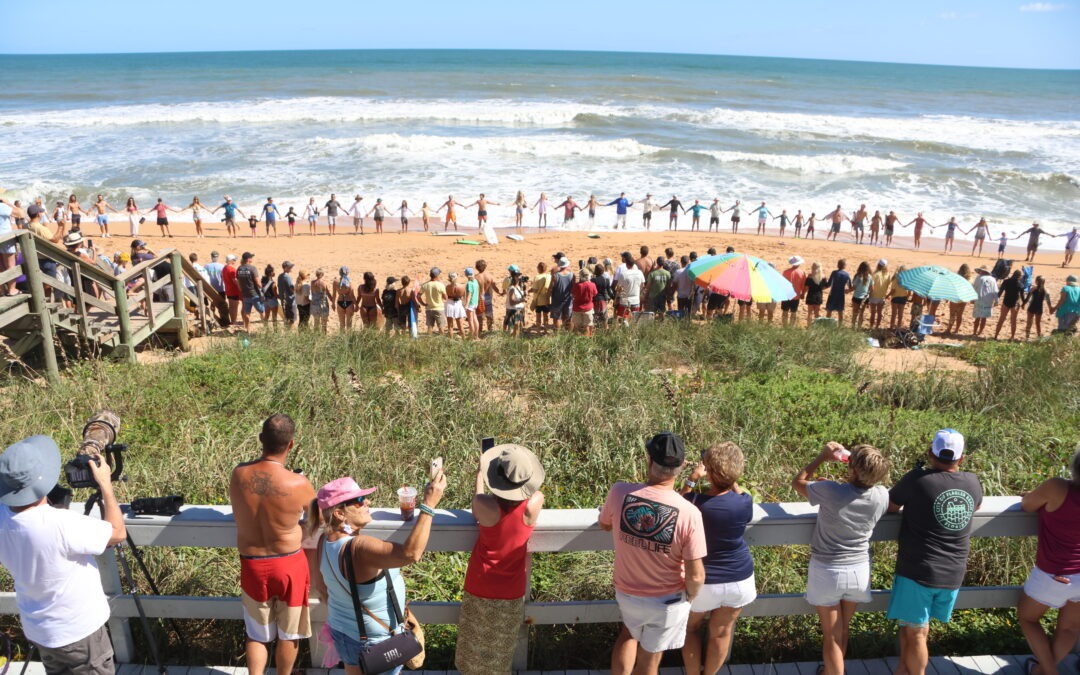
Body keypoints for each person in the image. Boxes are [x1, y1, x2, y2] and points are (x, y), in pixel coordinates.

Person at [0, 435, 126, 675]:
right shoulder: (61, 524)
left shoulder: (3, 516)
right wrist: (105, 485)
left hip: (40, 630)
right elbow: (117, 532)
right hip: (78, 631)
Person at [310, 468, 446, 675]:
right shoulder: (360, 548)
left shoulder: (323, 541)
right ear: (339, 513)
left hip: (342, 632)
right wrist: (428, 506)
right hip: (375, 643)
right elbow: (411, 553)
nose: (367, 503)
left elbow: (322, 588)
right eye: (359, 500)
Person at [599, 432, 706, 675]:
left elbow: (605, 523)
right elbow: (697, 576)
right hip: (666, 600)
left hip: (627, 590)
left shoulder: (619, 493)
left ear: (649, 462)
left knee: (627, 634)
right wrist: (689, 597)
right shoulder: (689, 513)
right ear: (680, 468)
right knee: (650, 656)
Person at [887, 429, 982, 675]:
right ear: (962, 458)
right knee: (915, 628)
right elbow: (977, 504)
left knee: (916, 632)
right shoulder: (973, 482)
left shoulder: (917, 479)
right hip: (952, 572)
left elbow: (890, 506)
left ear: (930, 453)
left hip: (919, 570)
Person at [793, 443, 890, 675]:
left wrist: (822, 457)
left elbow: (798, 482)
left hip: (827, 570)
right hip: (859, 570)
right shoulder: (881, 495)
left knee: (831, 637)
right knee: (843, 630)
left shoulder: (831, 491)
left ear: (852, 470)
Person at [229, 415, 316, 675]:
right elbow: (317, 521)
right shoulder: (298, 483)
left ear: (260, 440)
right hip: (289, 563)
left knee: (257, 633)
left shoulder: (239, 474)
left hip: (253, 564)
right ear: (291, 445)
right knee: (290, 633)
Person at [455, 444, 544, 675]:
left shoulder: (485, 506)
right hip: (512, 590)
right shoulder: (532, 506)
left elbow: (477, 498)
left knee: (472, 652)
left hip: (480, 583)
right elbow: (537, 493)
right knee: (500, 655)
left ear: (495, 478)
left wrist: (479, 474)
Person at [679, 443, 755, 675]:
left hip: (705, 581)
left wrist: (692, 478)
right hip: (740, 578)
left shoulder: (695, 503)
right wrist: (729, 478)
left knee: (690, 629)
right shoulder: (744, 502)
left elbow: (678, 502)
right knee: (722, 632)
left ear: (709, 473)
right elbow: (738, 490)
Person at [1016, 447, 1080, 675]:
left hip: (1055, 574)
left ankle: (1049, 672)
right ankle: (1042, 671)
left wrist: (1032, 495)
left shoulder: (1057, 488)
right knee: (1070, 628)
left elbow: (1027, 505)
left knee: (1027, 618)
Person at [236, 252, 266, 332]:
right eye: (251, 257)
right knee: (262, 310)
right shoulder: (252, 268)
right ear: (248, 259)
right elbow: (258, 282)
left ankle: (248, 329)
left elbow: (238, 282)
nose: (252, 259)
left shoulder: (239, 269)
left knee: (247, 312)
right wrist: (263, 288)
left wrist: (242, 290)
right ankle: (265, 327)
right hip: (254, 294)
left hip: (245, 294)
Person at [615, 253, 645, 326]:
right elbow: (642, 285)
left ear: (626, 265)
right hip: (635, 299)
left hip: (625, 299)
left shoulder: (624, 274)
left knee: (623, 319)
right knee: (634, 320)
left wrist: (617, 295)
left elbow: (619, 287)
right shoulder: (639, 273)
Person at [994, 269, 1025, 340]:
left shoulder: (1006, 282)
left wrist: (996, 300)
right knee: (1013, 321)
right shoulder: (1020, 285)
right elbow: (1023, 297)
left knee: (1001, 319)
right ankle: (1012, 337)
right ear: (1019, 276)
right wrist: (1024, 304)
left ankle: (996, 335)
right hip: (1015, 304)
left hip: (1006, 302)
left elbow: (1000, 292)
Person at [418, 267, 447, 335]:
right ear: (437, 275)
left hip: (429, 308)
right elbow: (445, 297)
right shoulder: (440, 285)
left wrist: (423, 304)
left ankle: (429, 340)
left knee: (430, 327)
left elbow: (418, 296)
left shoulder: (425, 285)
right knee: (441, 327)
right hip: (439, 308)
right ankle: (442, 340)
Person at [945, 264, 972, 335]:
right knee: (960, 315)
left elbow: (952, 288)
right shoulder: (970, 280)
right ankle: (956, 330)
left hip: (955, 297)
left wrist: (948, 297)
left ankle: (949, 329)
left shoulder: (956, 278)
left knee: (952, 315)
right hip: (964, 298)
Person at [971, 266, 998, 337]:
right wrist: (996, 300)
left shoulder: (978, 278)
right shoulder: (993, 279)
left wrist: (972, 298)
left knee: (977, 317)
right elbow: (995, 291)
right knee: (984, 318)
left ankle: (974, 332)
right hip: (989, 300)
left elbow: (974, 288)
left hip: (979, 299)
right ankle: (980, 332)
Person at [549, 258, 575, 331]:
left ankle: (557, 335)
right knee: (568, 318)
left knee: (556, 319)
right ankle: (568, 334)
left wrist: (549, 296)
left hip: (556, 301)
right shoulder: (572, 275)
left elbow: (551, 288)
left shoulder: (555, 276)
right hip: (568, 300)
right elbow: (574, 288)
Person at [570, 268, 597, 336]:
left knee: (577, 326)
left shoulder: (576, 285)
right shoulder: (592, 285)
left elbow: (573, 294)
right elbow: (595, 294)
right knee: (588, 326)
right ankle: (588, 339)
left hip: (577, 308)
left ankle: (579, 341)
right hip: (588, 308)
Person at [781, 256, 807, 328]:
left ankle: (784, 326)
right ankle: (791, 326)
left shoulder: (785, 272)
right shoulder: (802, 273)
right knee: (793, 312)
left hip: (786, 295)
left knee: (785, 311)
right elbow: (804, 285)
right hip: (796, 295)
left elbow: (782, 283)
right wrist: (803, 294)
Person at [824, 259, 852, 324]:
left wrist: (822, 287)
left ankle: (827, 325)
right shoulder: (846, 275)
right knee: (840, 311)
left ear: (838, 265)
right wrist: (847, 291)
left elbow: (829, 284)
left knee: (829, 310)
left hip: (832, 294)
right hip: (841, 295)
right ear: (844, 266)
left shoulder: (834, 273)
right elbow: (850, 286)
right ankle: (840, 326)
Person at [503, 265, 528, 337]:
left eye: (519, 275)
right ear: (514, 277)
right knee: (512, 330)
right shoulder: (512, 288)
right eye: (517, 276)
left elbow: (523, 296)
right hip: (513, 310)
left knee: (518, 330)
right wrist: (521, 300)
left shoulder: (520, 287)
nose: (519, 277)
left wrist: (525, 291)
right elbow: (512, 302)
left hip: (519, 310)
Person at [850, 261, 873, 328]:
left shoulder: (858, 276)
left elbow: (853, 287)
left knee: (855, 313)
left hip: (857, 297)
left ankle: (853, 327)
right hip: (865, 298)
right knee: (861, 314)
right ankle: (859, 328)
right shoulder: (870, 277)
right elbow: (872, 289)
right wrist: (868, 294)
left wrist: (847, 290)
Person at [444, 271, 467, 338]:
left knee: (450, 325)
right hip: (458, 304)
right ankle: (464, 339)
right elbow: (463, 297)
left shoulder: (447, 287)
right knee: (460, 324)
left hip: (450, 304)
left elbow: (446, 296)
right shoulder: (461, 287)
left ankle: (451, 340)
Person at [804, 262, 827, 327]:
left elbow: (806, 287)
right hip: (818, 295)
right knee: (817, 313)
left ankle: (809, 327)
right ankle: (817, 327)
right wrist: (820, 289)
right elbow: (826, 286)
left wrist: (803, 293)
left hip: (810, 295)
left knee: (809, 313)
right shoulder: (823, 277)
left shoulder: (810, 276)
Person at [531, 262, 552, 328]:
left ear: (538, 268)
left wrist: (529, 290)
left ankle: (538, 330)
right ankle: (545, 330)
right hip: (546, 299)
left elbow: (535, 289)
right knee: (546, 316)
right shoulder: (549, 276)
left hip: (538, 300)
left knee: (538, 316)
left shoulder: (536, 277)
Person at [223, 254, 241, 325]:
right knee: (235, 307)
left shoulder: (224, 268)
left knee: (231, 306)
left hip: (228, 289)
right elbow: (235, 281)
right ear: (231, 261)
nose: (235, 261)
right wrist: (241, 288)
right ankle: (234, 321)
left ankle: (232, 321)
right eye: (234, 260)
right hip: (234, 290)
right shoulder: (232, 269)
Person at [278, 261, 297, 327]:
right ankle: (290, 333)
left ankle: (287, 332)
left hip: (283, 300)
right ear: (285, 268)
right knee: (292, 319)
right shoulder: (287, 277)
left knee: (286, 318)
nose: (291, 268)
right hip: (290, 301)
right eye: (290, 267)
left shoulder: (280, 276)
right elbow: (292, 288)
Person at [464, 268, 481, 339]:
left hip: (470, 303)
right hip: (475, 302)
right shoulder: (475, 281)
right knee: (475, 319)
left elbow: (469, 296)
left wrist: (466, 305)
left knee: (470, 320)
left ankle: (472, 336)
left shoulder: (469, 283)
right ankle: (476, 336)